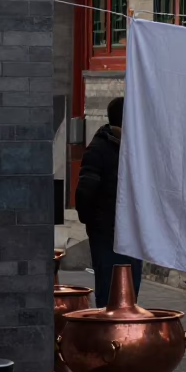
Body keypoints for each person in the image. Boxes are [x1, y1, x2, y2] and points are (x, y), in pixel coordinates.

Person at [75, 96, 143, 307]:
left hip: (132, 232)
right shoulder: (100, 148)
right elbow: (85, 192)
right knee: (109, 290)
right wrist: (94, 224)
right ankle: (106, 336)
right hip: (107, 232)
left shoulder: (136, 149)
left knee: (130, 292)